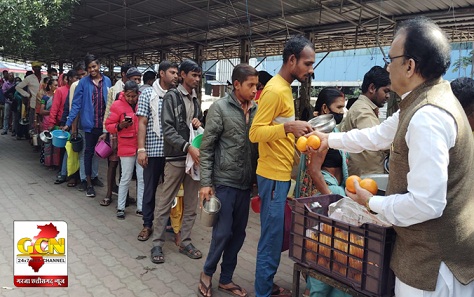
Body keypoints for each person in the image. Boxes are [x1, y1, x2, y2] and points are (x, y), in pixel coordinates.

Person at [309, 17, 474, 296]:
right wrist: (329, 139)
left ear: (409, 66)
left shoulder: (427, 117)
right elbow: (377, 136)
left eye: (391, 58)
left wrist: (371, 201)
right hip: (432, 258)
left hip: (432, 268)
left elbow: (427, 204)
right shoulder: (426, 100)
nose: (387, 66)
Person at [249, 35, 314, 297]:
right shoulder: (275, 90)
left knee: (276, 236)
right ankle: (263, 291)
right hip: (273, 176)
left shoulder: (285, 88)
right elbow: (255, 133)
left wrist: (296, 133)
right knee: (271, 239)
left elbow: (276, 129)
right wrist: (288, 127)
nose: (311, 70)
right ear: (291, 60)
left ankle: (266, 285)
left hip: (280, 175)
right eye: (307, 64)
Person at [198, 63, 259, 297]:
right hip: (224, 182)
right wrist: (206, 183)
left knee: (239, 233)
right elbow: (207, 147)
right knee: (222, 233)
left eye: (256, 85)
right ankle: (207, 272)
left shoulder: (257, 110)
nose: (254, 90)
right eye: (250, 85)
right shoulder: (220, 108)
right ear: (236, 85)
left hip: (245, 184)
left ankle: (226, 279)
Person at [298, 87, 351, 297]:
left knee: (337, 255)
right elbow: (313, 172)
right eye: (339, 107)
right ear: (324, 108)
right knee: (322, 253)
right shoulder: (314, 138)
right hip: (325, 199)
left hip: (335, 195)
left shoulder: (335, 134)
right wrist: (334, 199)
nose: (342, 112)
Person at [150, 59, 203, 264]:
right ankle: (157, 243)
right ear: (182, 75)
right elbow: (168, 130)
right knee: (165, 201)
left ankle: (186, 241)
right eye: (193, 75)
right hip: (176, 156)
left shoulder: (194, 99)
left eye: (199, 76)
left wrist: (198, 121)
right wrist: (187, 147)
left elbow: (194, 124)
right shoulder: (172, 97)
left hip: (192, 159)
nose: (197, 79)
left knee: (190, 203)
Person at [136, 61, 178, 242]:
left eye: (177, 73)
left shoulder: (176, 95)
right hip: (152, 150)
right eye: (172, 72)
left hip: (172, 151)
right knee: (150, 188)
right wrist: (141, 149)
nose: (176, 76)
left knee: (170, 190)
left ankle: (168, 221)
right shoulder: (147, 94)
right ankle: (147, 224)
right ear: (162, 73)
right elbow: (142, 123)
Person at [64, 54, 112, 198]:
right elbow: (76, 105)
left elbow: (110, 103)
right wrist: (68, 123)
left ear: (99, 65)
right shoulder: (83, 83)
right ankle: (88, 183)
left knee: (102, 152)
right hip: (89, 125)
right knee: (88, 153)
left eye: (94, 66)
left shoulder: (107, 81)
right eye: (89, 67)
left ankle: (99, 180)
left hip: (103, 125)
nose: (92, 69)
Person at [339, 66, 391, 176]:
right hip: (366, 177)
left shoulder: (365, 108)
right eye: (385, 91)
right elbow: (378, 139)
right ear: (372, 88)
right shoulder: (362, 110)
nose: (388, 96)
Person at [105, 81, 143, 219]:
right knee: (125, 177)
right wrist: (120, 126)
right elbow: (108, 125)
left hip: (141, 145)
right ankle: (121, 207)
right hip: (126, 145)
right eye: (128, 96)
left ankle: (141, 207)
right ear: (124, 93)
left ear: (138, 94)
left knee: (141, 177)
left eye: (134, 96)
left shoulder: (142, 102)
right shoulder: (117, 105)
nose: (131, 99)